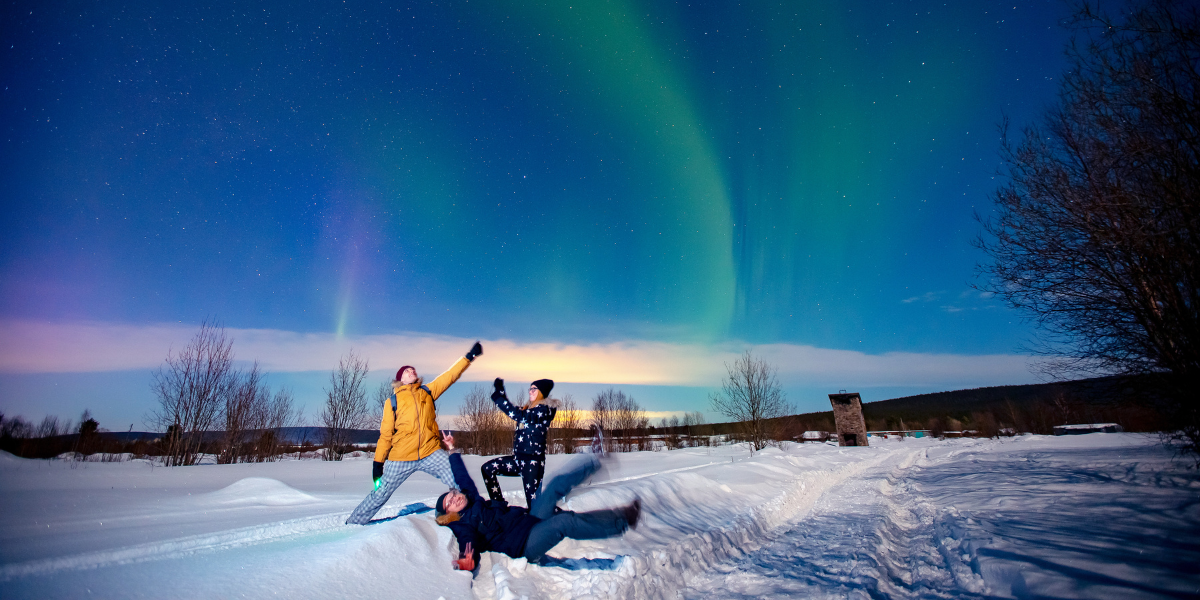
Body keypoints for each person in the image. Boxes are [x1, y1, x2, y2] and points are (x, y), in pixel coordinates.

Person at [436, 433, 639, 570]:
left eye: (452, 494)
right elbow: (467, 542)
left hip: (528, 521)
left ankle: (595, 459)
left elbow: (462, 476)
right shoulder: (464, 523)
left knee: (553, 486)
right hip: (524, 546)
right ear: (449, 514)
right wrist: (467, 561)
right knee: (564, 522)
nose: (454, 498)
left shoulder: (471, 499)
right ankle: (623, 520)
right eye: (449, 503)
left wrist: (452, 449)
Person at [344, 341, 483, 525]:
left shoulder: (427, 392)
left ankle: (473, 517)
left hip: (429, 452)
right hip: (401, 457)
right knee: (380, 493)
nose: (412, 371)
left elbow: (449, 376)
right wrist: (378, 464)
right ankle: (353, 523)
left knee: (458, 479)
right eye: (407, 371)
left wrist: (469, 357)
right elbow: (385, 435)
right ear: (400, 379)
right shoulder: (392, 401)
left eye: (413, 370)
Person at [481, 377, 557, 507]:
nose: (530, 391)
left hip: (532, 463)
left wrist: (499, 399)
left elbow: (517, 415)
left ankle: (556, 522)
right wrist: (501, 392)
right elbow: (514, 410)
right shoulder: (529, 410)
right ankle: (499, 506)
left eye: (534, 389)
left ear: (542, 392)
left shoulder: (544, 410)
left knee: (535, 507)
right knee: (487, 469)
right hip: (517, 460)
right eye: (530, 388)